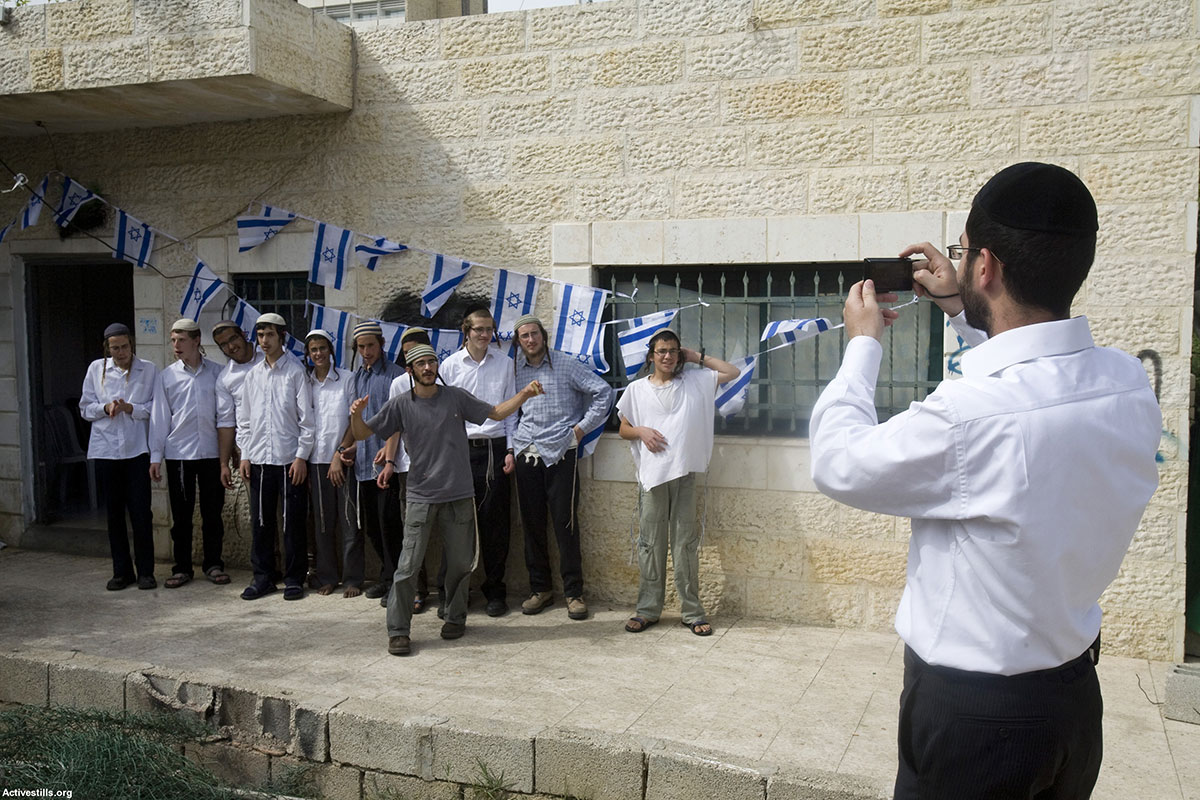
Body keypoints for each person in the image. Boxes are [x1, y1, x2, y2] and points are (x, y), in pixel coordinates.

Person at [807, 162, 1162, 799]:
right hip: (1075, 705)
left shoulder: (970, 416)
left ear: (988, 266)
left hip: (975, 722)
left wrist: (862, 345)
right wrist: (959, 301)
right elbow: (1028, 374)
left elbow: (839, 461)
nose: (959, 263)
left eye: (965, 252)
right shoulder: (1128, 384)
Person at [346, 344, 543, 656]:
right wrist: (355, 415)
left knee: (461, 563)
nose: (428, 367)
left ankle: (455, 617)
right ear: (409, 371)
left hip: (460, 495)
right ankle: (398, 630)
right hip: (421, 496)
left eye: (431, 361)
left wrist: (525, 396)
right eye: (421, 363)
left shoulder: (455, 396)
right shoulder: (400, 404)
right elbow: (361, 433)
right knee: (408, 566)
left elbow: (494, 412)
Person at [616, 330, 738, 636]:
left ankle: (692, 611)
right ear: (651, 356)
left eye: (673, 351)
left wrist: (695, 355)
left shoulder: (695, 382)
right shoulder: (637, 389)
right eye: (662, 351)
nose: (668, 356)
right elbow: (623, 429)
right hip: (653, 477)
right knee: (650, 545)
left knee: (685, 544)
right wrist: (641, 431)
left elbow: (731, 372)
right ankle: (647, 609)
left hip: (684, 473)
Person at [511, 314, 613, 620]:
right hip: (526, 452)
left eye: (534, 334)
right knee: (531, 524)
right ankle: (540, 589)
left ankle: (573, 592)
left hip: (561, 453)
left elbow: (603, 392)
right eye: (524, 336)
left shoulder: (566, 365)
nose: (530, 340)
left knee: (565, 524)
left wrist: (579, 431)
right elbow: (506, 408)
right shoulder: (514, 370)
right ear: (519, 341)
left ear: (543, 335)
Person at [439, 306, 518, 617]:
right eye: (479, 330)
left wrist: (510, 450)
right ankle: (455, 593)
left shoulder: (505, 363)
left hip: (494, 449)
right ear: (466, 331)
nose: (485, 335)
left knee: (495, 524)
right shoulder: (450, 365)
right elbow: (443, 414)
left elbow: (511, 411)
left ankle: (495, 591)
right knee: (457, 525)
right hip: (459, 450)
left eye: (489, 330)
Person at [236, 313, 315, 601]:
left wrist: (300, 457)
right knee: (261, 522)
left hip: (288, 459)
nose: (264, 341)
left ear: (281, 336)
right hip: (258, 460)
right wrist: (244, 454)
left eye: (269, 335)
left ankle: (294, 578)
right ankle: (264, 577)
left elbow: (307, 421)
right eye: (259, 335)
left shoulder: (295, 372)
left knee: (291, 522)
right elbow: (243, 419)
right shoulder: (253, 375)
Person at [149, 318, 228, 589]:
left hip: (210, 453)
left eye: (181, 340)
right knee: (181, 516)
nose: (176, 346)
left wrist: (231, 454)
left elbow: (227, 416)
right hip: (179, 453)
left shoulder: (218, 373)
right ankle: (182, 567)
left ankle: (213, 563)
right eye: (173, 340)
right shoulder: (167, 376)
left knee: (212, 513)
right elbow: (159, 418)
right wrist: (155, 456)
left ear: (196, 341)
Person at [80, 323, 158, 591]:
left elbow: (153, 409)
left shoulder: (147, 369)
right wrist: (105, 407)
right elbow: (85, 408)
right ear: (107, 348)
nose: (121, 352)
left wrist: (130, 408)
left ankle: (146, 572)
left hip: (137, 451)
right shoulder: (96, 369)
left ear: (131, 344)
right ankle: (121, 572)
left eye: (125, 346)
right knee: (114, 515)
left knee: (140, 513)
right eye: (115, 348)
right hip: (106, 450)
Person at [334, 321, 403, 603]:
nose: (366, 352)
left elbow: (398, 420)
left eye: (370, 345)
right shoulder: (355, 379)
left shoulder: (395, 376)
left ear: (381, 344)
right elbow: (355, 422)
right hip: (363, 465)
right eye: (361, 347)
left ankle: (398, 581)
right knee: (372, 526)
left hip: (388, 464)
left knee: (391, 525)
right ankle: (387, 577)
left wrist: (388, 455)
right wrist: (345, 448)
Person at [304, 329, 363, 597]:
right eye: (313, 350)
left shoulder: (347, 380)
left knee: (350, 520)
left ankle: (352, 579)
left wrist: (339, 454)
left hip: (344, 460)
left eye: (322, 349)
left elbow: (353, 420)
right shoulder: (305, 382)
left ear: (331, 350)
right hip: (316, 462)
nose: (318, 354)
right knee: (324, 522)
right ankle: (327, 576)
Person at [212, 319, 261, 491]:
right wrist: (224, 464)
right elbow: (226, 422)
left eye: (233, 339)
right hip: (248, 451)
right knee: (258, 512)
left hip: (284, 446)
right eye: (223, 345)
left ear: (243, 335)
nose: (231, 347)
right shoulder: (225, 379)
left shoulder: (269, 357)